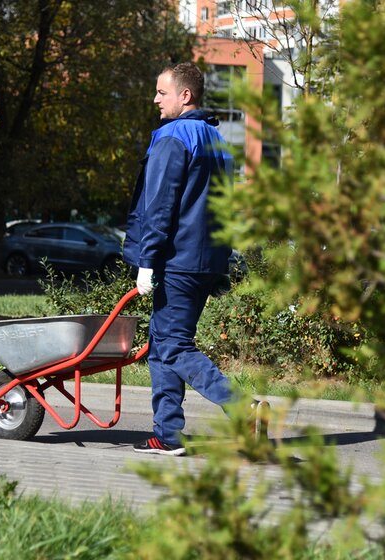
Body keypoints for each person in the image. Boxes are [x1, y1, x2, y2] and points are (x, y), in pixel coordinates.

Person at [123, 62, 255, 456]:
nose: (155, 100)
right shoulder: (216, 140)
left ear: (185, 95)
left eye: (161, 92)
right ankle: (168, 435)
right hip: (205, 260)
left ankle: (242, 407)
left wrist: (147, 260)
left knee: (174, 346)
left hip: (177, 260)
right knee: (162, 344)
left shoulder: (173, 137)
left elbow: (159, 205)